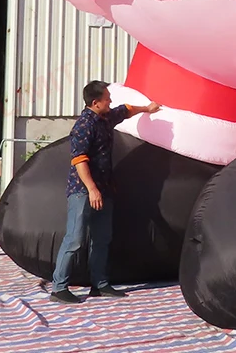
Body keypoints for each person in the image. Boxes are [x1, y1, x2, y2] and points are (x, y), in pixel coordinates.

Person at [49, 80, 161, 304]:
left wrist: (147, 108)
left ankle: (99, 285)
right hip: (83, 190)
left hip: (105, 188)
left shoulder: (106, 117)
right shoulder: (84, 126)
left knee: (102, 238)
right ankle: (59, 287)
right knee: (75, 239)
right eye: (107, 98)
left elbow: (126, 110)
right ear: (95, 103)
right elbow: (79, 160)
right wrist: (92, 189)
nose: (110, 101)